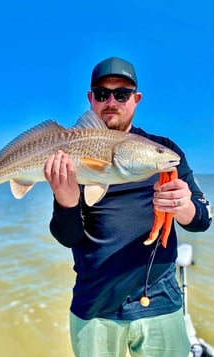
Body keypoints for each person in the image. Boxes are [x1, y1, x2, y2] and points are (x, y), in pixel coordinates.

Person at [44, 57, 212, 357]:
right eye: (102, 93)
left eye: (121, 94)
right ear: (90, 99)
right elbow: (68, 237)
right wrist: (65, 200)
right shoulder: (71, 155)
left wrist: (184, 206)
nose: (111, 101)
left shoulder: (165, 152)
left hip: (160, 302)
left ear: (136, 99)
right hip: (94, 305)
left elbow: (201, 219)